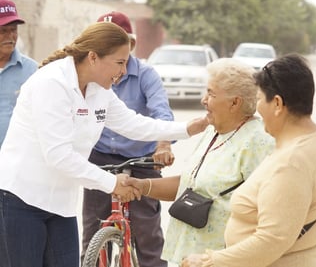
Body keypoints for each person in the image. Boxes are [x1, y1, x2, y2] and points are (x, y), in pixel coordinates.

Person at [0, 21, 208, 267]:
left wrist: (187, 128)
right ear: (93, 58)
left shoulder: (99, 90)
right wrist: (111, 183)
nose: (123, 70)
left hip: (60, 204)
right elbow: (58, 155)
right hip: (21, 199)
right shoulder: (52, 83)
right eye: (119, 62)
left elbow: (134, 124)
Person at [179, 54, 316, 267]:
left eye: (258, 99)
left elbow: (272, 239)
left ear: (277, 103)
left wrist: (210, 261)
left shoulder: (291, 163)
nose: (256, 109)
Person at [125, 57, 275, 265]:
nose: (203, 100)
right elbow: (191, 185)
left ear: (235, 102)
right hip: (190, 257)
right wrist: (142, 186)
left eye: (211, 94)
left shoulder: (259, 142)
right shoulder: (213, 131)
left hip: (221, 259)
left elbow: (268, 212)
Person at [81, 12, 173, 267]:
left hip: (142, 159)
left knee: (148, 237)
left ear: (130, 45)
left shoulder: (146, 75)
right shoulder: (90, 73)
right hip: (101, 157)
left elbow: (161, 112)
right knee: (91, 233)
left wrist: (163, 145)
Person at [0, 0, 38, 148]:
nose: (10, 36)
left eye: (14, 30)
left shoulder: (32, 70)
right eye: (3, 31)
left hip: (15, 158)